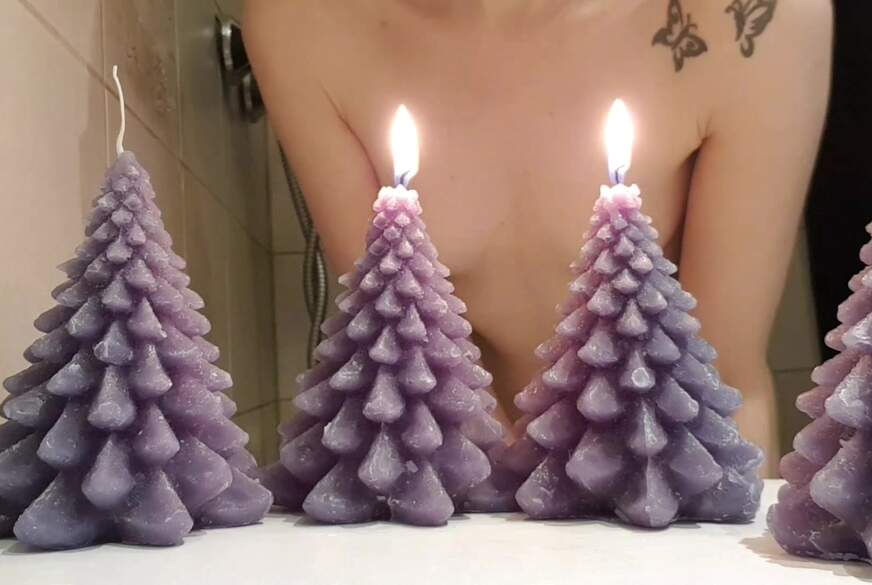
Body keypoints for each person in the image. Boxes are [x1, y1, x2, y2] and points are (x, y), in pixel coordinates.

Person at [244, 0, 832, 476]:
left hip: (658, 473)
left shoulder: (754, 18)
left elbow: (721, 375)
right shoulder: (301, 23)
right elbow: (397, 346)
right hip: (463, 487)